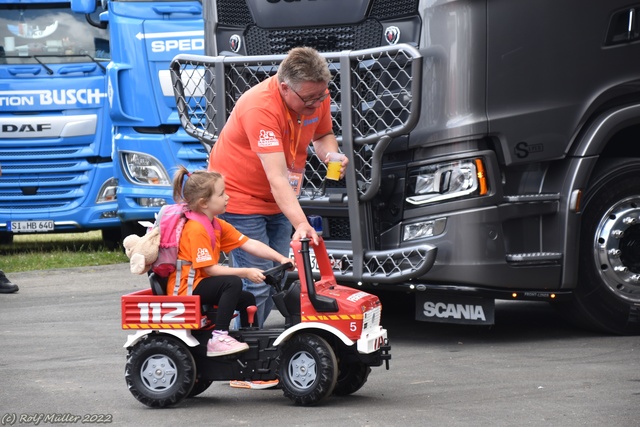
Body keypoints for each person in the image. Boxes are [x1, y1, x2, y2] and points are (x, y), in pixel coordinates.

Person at [208, 46, 348, 328]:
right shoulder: (260, 107)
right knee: (258, 280)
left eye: (321, 96)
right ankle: (241, 352)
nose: (317, 103)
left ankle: (243, 340)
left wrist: (330, 154)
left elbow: (323, 134)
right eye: (310, 99)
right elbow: (277, 178)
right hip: (241, 199)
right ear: (284, 88)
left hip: (280, 199)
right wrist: (301, 223)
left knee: (280, 274)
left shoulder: (314, 94)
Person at [167, 166, 291, 357]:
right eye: (221, 194)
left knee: (247, 299)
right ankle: (219, 337)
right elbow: (210, 270)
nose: (227, 197)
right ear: (204, 203)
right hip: (188, 287)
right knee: (231, 282)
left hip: (200, 284)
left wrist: (280, 258)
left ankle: (251, 346)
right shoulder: (196, 229)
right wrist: (245, 272)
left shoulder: (215, 224)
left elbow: (248, 243)